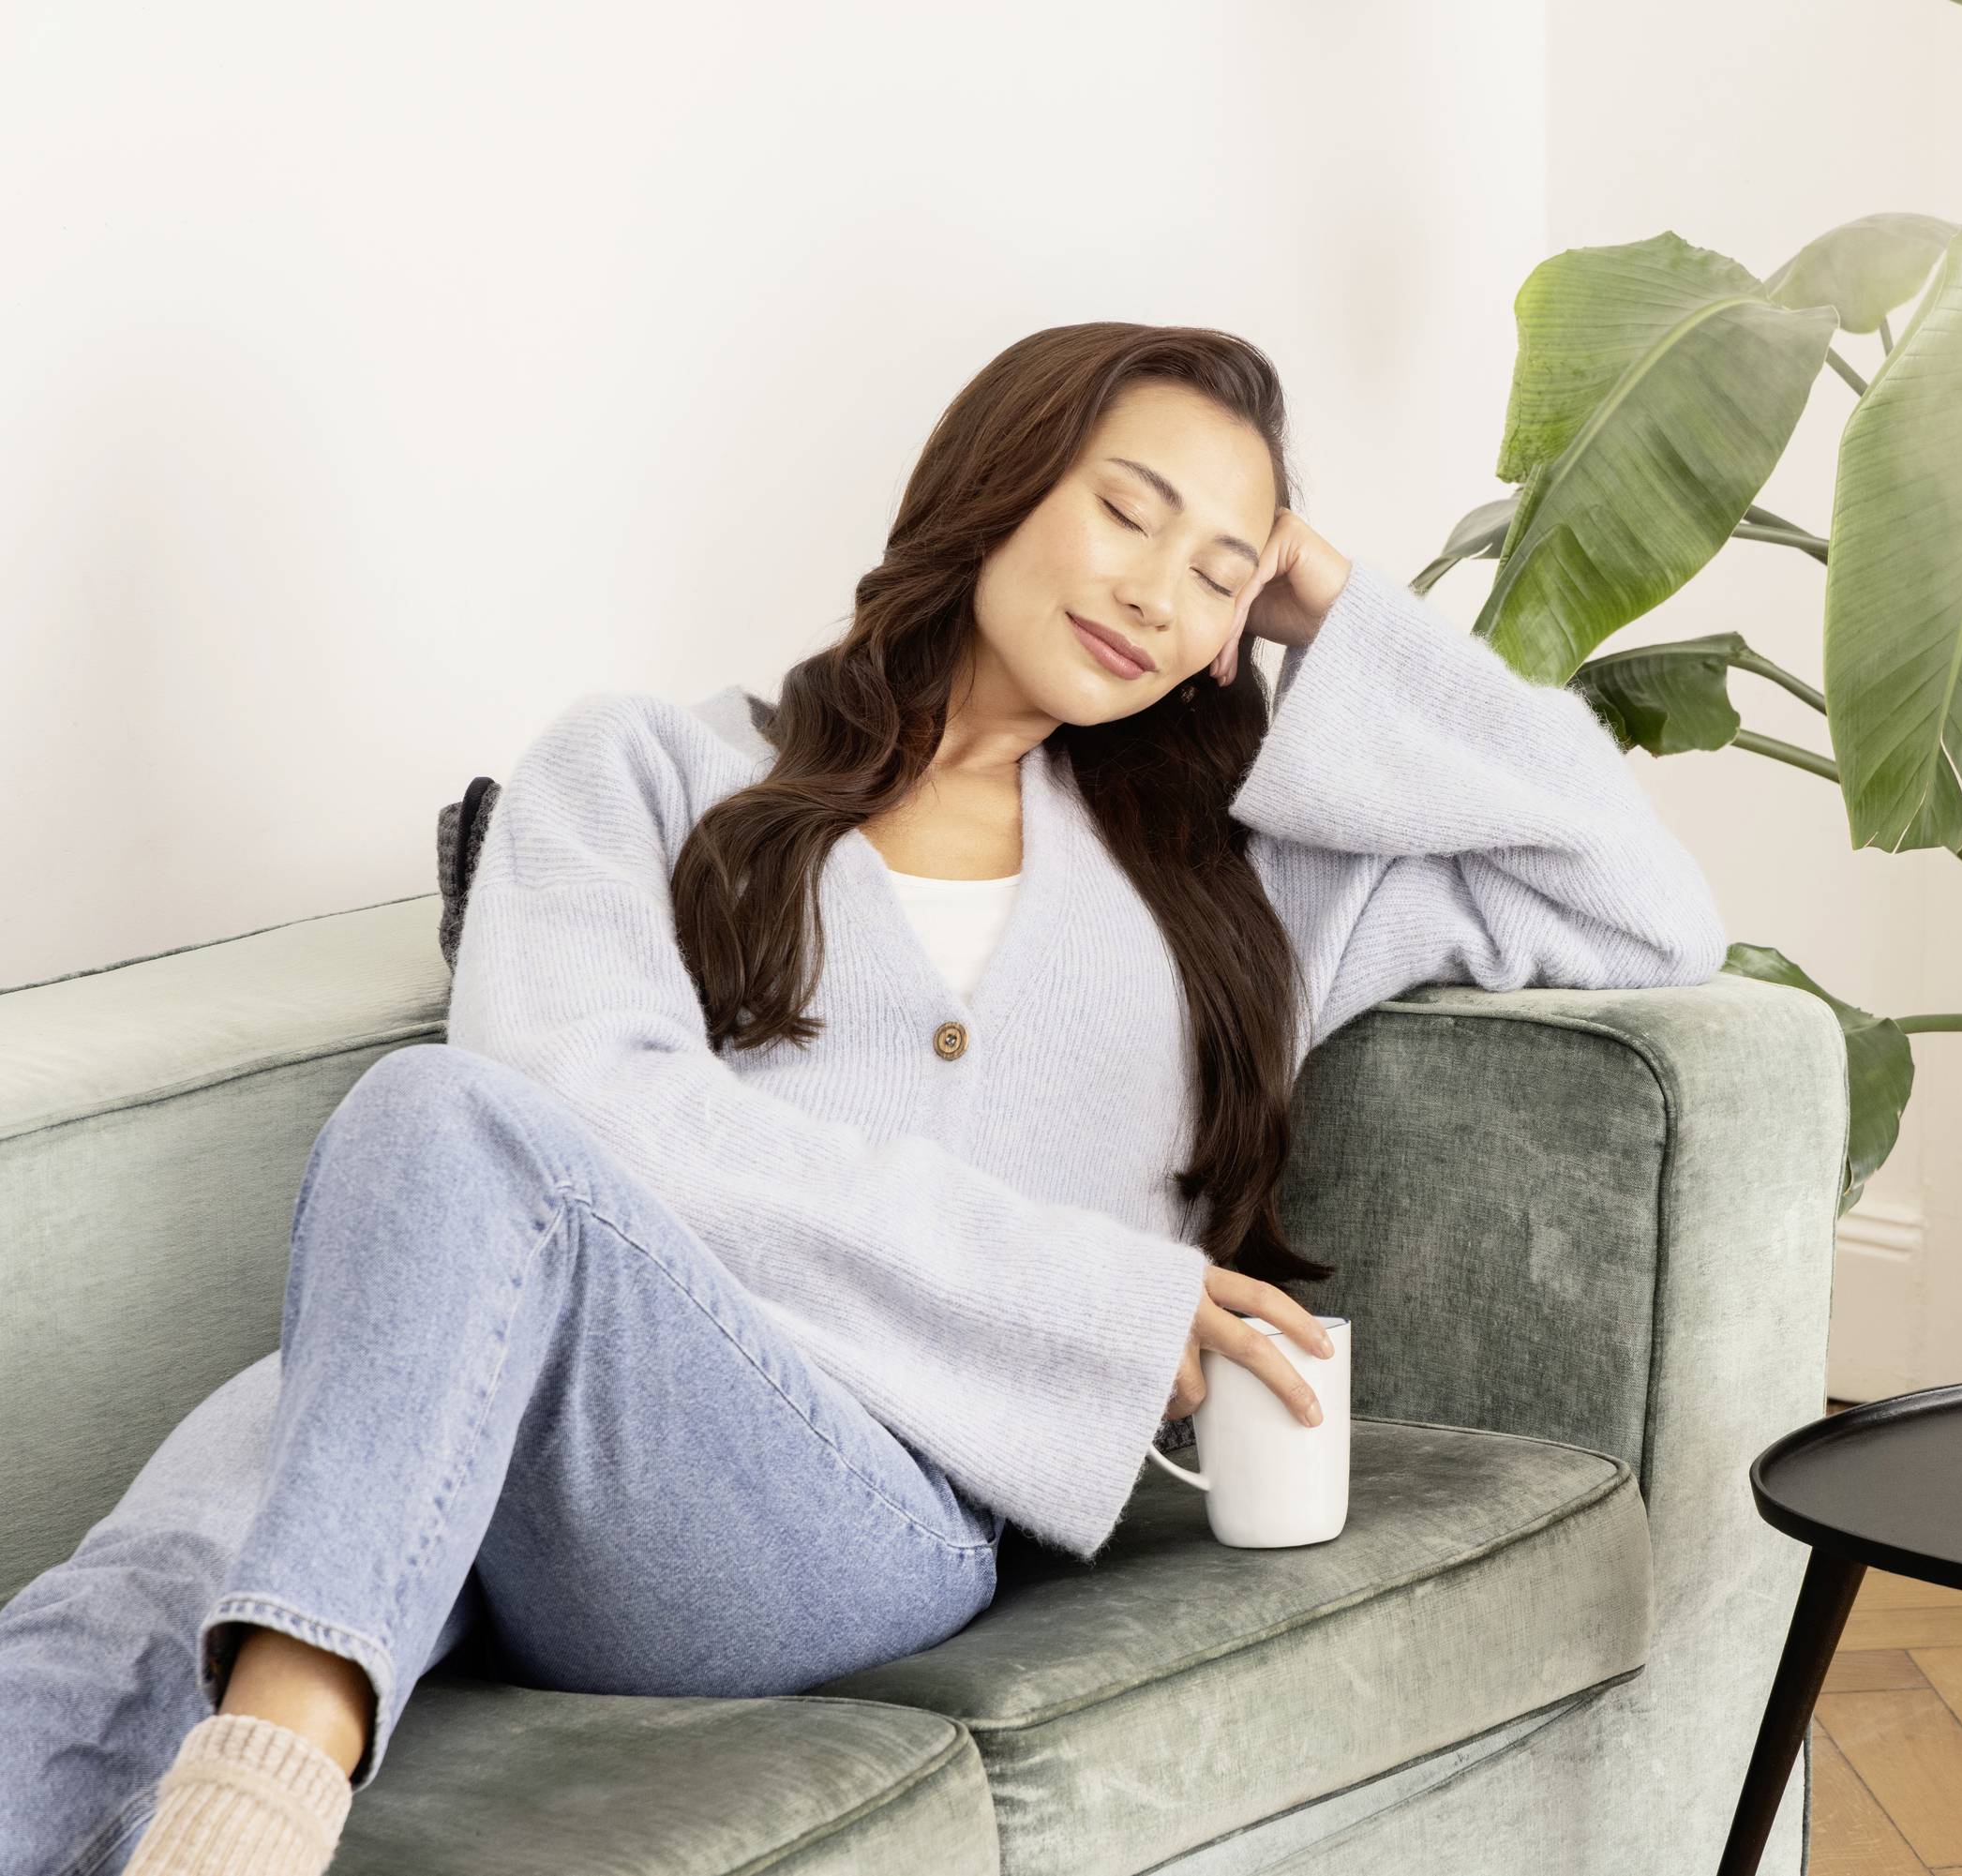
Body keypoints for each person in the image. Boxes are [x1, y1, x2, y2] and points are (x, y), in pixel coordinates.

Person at [0, 323, 1731, 1876]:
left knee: (422, 1133)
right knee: (140, 1593)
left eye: (1221, 573)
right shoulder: (647, 772)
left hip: (849, 1515)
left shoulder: (1246, 890)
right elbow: (564, 1096)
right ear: (1000, 482)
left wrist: (1338, 605)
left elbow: (1644, 894)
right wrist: (1089, 1295)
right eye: (1127, 510)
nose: (1158, 591)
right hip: (522, 1420)